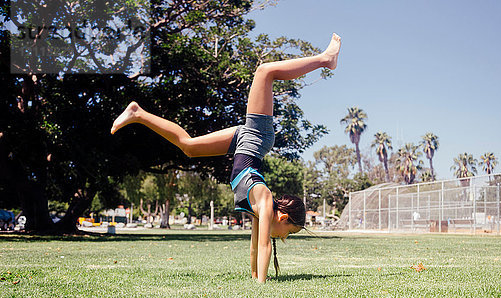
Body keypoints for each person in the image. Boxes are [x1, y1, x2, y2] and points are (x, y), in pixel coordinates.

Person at [111, 33, 341, 283]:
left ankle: (138, 113)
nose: (283, 238)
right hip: (257, 136)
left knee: (189, 147)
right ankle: (325, 59)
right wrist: (262, 287)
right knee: (264, 72)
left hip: (244, 141)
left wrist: (255, 276)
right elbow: (264, 246)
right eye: (289, 233)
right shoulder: (264, 200)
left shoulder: (259, 209)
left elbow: (255, 246)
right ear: (283, 218)